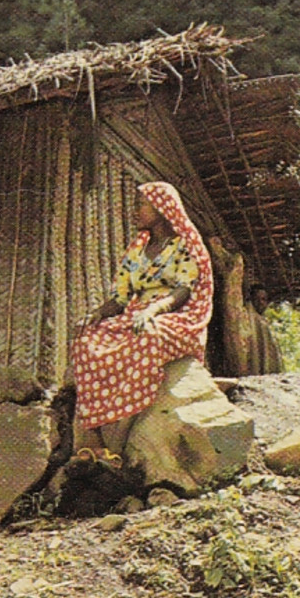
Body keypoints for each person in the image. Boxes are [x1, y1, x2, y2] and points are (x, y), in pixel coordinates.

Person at [70, 181, 213, 458]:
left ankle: (122, 436)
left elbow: (183, 290)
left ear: (161, 208)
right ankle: (95, 435)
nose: (135, 211)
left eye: (141, 205)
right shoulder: (137, 251)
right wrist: (97, 314)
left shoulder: (185, 247)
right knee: (87, 339)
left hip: (177, 318)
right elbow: (120, 298)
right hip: (137, 315)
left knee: (147, 337)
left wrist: (153, 311)